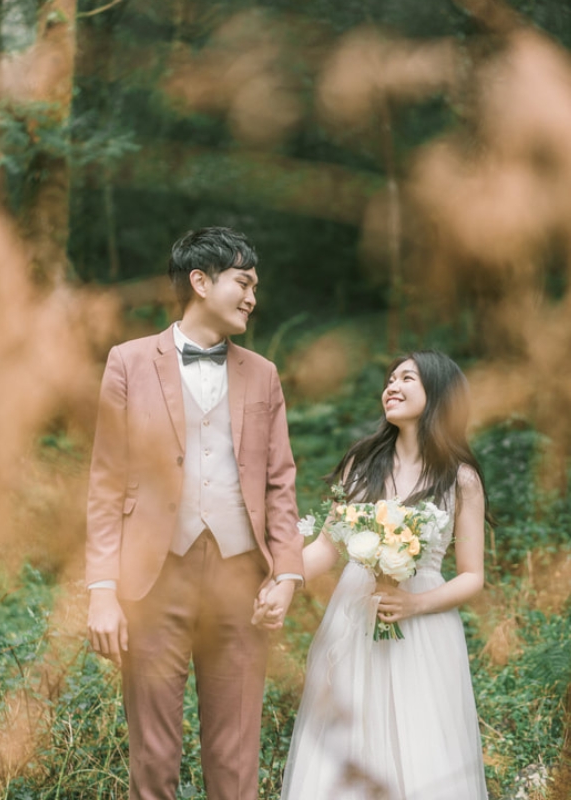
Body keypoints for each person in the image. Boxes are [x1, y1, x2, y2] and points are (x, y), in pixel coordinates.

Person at [84, 227, 305, 800]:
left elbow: (281, 484)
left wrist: (286, 574)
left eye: (256, 285)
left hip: (241, 581)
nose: (254, 296)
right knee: (153, 756)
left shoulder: (264, 374)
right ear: (201, 282)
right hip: (154, 577)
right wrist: (102, 589)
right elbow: (106, 483)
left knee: (235, 759)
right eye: (244, 282)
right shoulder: (128, 362)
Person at [273, 351, 489, 799]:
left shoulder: (460, 479)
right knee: (353, 737)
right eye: (389, 379)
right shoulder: (361, 464)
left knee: (421, 738)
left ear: (439, 393)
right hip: (354, 619)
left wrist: (414, 604)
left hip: (424, 627)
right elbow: (327, 548)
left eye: (406, 378)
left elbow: (472, 576)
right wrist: (283, 576)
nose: (391, 386)